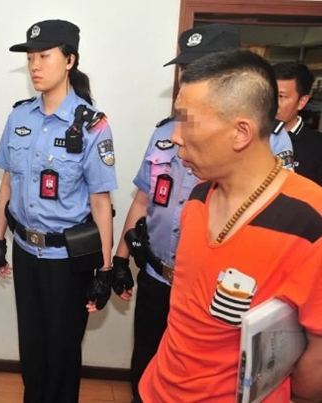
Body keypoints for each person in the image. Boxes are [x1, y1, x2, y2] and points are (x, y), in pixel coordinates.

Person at [108, 24, 295, 402]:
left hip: (220, 294)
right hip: (158, 277)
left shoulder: (269, 140)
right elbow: (143, 199)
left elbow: (276, 222)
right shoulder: (165, 132)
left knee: (209, 382)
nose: (188, 76)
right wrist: (121, 259)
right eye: (185, 69)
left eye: (200, 68)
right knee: (145, 372)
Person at [139, 49, 322, 403]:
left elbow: (314, 371)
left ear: (240, 133)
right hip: (157, 390)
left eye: (188, 121)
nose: (175, 136)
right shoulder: (198, 197)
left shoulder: (309, 222)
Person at [0, 19, 117, 403]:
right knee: (32, 349)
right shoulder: (19, 117)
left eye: (44, 56)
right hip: (25, 253)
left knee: (62, 353)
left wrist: (105, 270)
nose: (34, 66)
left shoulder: (93, 126)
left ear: (70, 60)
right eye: (30, 57)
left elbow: (101, 203)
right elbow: (8, 183)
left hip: (67, 261)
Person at [273, 62, 322, 185]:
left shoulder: (318, 146)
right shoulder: (249, 137)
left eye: (280, 96)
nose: (271, 103)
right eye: (267, 94)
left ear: (301, 102)